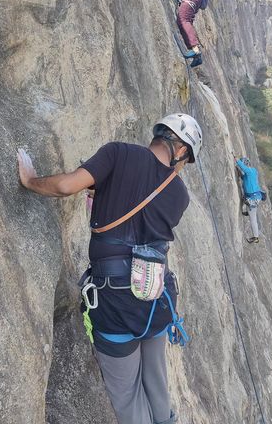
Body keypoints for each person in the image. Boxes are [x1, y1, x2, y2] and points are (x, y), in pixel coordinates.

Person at [17, 113, 203, 424]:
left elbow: (65, 185)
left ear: (160, 134)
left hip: (114, 299)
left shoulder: (118, 153)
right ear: (182, 150)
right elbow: (145, 223)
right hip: (156, 295)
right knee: (156, 381)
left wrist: (30, 181)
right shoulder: (179, 194)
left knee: (127, 394)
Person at [235, 156, 265, 244]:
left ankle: (256, 237)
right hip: (254, 197)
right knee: (251, 210)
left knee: (253, 219)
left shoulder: (251, 171)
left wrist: (236, 160)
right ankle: (249, 211)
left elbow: (244, 169)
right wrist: (238, 170)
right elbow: (243, 176)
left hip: (253, 198)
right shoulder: (250, 173)